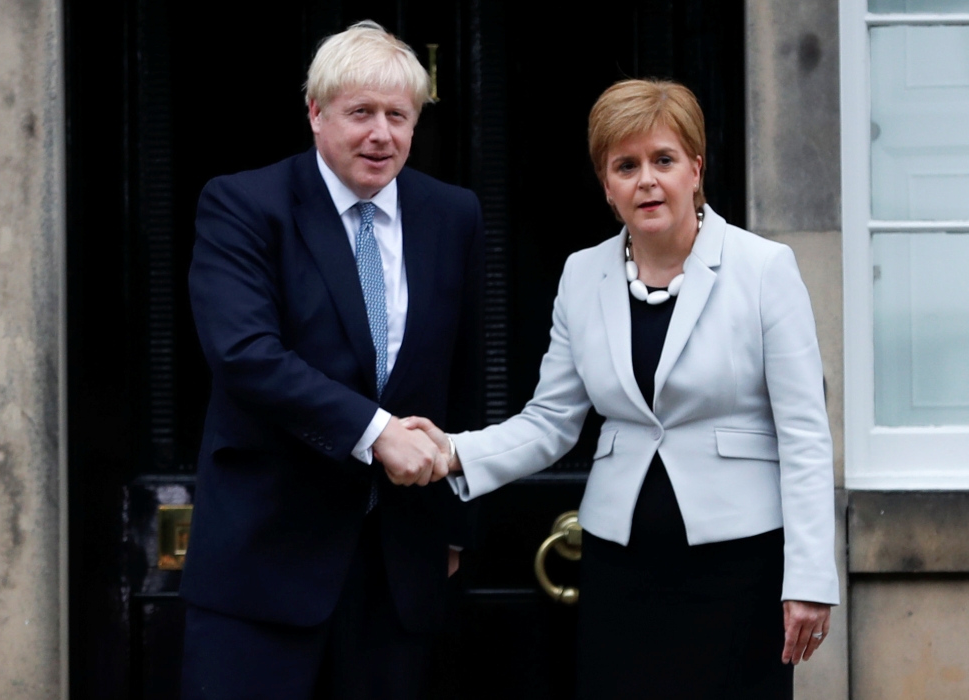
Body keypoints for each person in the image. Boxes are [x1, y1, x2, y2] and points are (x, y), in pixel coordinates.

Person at [407, 79, 839, 699]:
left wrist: (809, 580)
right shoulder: (582, 275)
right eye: (625, 166)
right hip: (620, 563)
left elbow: (804, 434)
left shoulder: (765, 268)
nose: (646, 180)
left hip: (741, 567)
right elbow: (551, 420)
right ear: (607, 186)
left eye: (663, 160)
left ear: (695, 167)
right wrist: (453, 452)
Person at [179, 21, 483, 700]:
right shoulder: (244, 205)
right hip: (265, 562)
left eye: (398, 116)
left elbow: (463, 375)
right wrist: (377, 435)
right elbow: (245, 355)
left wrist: (455, 521)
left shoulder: (452, 214)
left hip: (398, 566)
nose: (381, 134)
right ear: (316, 114)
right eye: (361, 113)